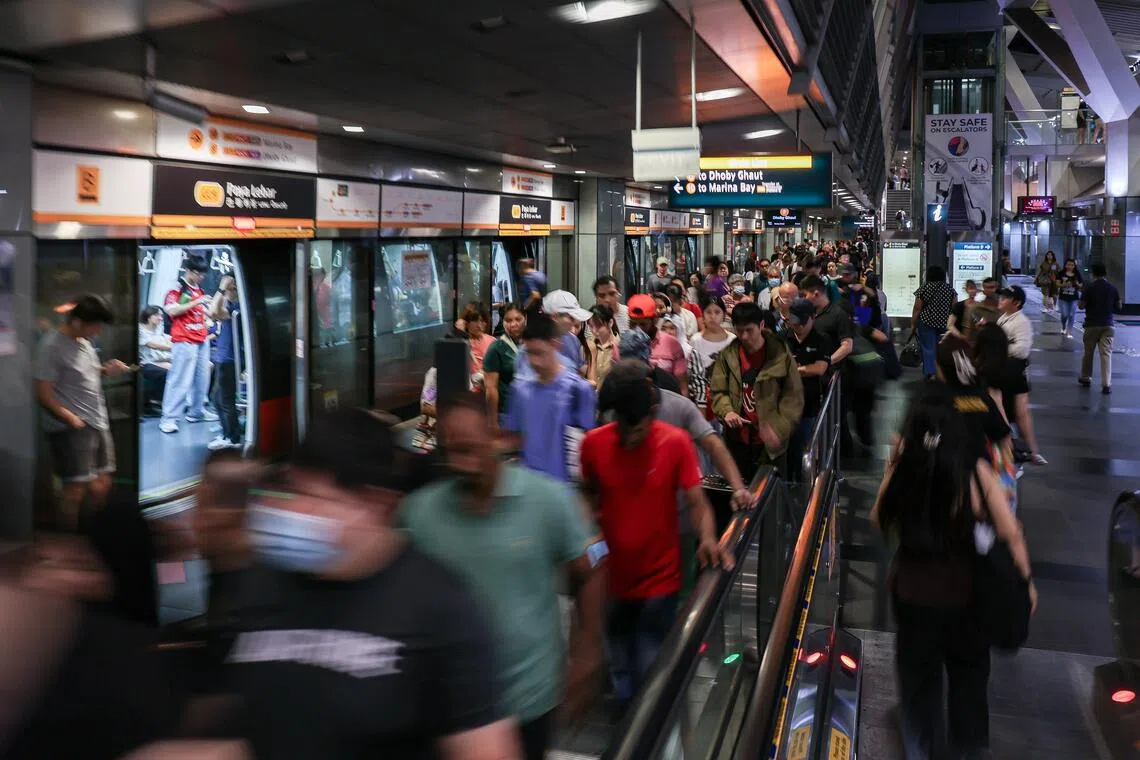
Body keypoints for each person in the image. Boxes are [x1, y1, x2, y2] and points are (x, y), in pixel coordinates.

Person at [226, 408, 520, 759]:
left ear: (377, 503)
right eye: (292, 494)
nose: (298, 513)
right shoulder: (262, 585)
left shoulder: (441, 609)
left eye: (318, 500)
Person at [402, 395, 605, 760]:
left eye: (471, 449)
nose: (462, 463)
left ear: (495, 438)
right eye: (452, 452)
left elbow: (593, 564)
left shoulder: (547, 500)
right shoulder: (420, 513)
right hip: (446, 707)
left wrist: (587, 651)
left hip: (527, 702)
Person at [871, 391, 1033, 760]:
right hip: (968, 602)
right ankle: (969, 749)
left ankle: (920, 747)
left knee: (918, 686)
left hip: (914, 601)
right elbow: (1010, 532)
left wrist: (891, 469)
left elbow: (879, 519)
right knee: (970, 682)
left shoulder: (904, 468)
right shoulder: (975, 472)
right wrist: (1026, 581)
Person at [579, 366, 731, 711]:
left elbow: (698, 502)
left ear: (652, 414)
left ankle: (650, 728)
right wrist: (587, 537)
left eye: (639, 428)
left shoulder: (674, 443)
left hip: (660, 580)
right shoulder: (594, 445)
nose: (631, 437)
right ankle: (627, 723)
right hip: (612, 578)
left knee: (650, 664)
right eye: (624, 427)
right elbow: (588, 498)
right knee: (618, 663)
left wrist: (707, 537)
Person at [35, 294, 130, 532]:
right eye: (94, 326)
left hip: (97, 422)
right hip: (72, 427)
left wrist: (106, 370)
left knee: (102, 482)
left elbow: (86, 373)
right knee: (74, 490)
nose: (97, 331)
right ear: (77, 322)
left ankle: (92, 533)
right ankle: (68, 541)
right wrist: (70, 418)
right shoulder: (51, 346)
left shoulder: (84, 342)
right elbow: (43, 392)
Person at [709, 302, 804, 480]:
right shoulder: (727, 356)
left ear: (761, 325)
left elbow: (793, 397)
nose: (744, 336)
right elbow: (718, 390)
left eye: (749, 330)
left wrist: (779, 429)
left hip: (770, 445)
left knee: (770, 496)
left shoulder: (780, 354)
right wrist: (727, 411)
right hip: (738, 441)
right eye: (739, 330)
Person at [504, 312, 597, 485]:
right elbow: (514, 439)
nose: (534, 361)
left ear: (555, 345)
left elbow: (588, 450)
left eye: (539, 353)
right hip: (530, 492)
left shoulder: (578, 390)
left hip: (566, 494)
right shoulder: (519, 391)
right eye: (529, 353)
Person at [160, 255, 217, 435]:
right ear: (190, 271)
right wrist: (197, 302)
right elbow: (172, 311)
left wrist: (207, 315)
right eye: (198, 274)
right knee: (180, 380)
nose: (201, 277)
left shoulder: (198, 290)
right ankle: (168, 419)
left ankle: (196, 411)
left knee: (202, 379)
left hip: (201, 338)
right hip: (184, 340)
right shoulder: (178, 288)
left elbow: (197, 312)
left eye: (202, 274)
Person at [781, 299, 835, 478]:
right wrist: (803, 370)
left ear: (813, 318)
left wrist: (793, 370)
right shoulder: (783, 337)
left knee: (805, 446)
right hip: (784, 404)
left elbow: (820, 368)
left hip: (808, 404)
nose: (799, 327)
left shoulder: (822, 339)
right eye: (796, 322)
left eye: (804, 322)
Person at [997, 286, 1046, 464]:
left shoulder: (1022, 322)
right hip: (1004, 372)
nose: (1001, 299)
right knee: (1010, 411)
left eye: (1006, 297)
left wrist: (998, 347)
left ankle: (1030, 451)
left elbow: (1022, 350)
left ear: (1016, 303)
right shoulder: (1003, 318)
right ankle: (1018, 449)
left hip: (1016, 373)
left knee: (1020, 412)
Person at [627, 294, 688, 397]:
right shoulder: (621, 347)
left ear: (654, 320)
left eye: (643, 324)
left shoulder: (672, 344)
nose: (638, 329)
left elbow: (682, 388)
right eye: (633, 324)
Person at [207, 275, 242, 451]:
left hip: (230, 359)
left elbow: (212, 312)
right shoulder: (230, 306)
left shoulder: (238, 308)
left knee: (225, 400)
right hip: (223, 357)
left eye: (230, 289)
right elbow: (215, 312)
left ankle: (233, 438)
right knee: (217, 399)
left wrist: (221, 288)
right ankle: (227, 433)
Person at [1079, 262, 1120, 394]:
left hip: (1091, 325)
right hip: (1108, 325)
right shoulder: (1112, 288)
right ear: (1105, 273)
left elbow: (1081, 305)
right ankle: (1106, 383)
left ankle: (1086, 377)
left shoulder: (1089, 287)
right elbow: (1118, 306)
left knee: (1088, 353)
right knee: (1106, 355)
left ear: (1093, 273)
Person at [911, 266, 957, 380]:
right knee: (940, 347)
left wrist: (913, 323)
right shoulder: (950, 289)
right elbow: (954, 307)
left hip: (926, 322)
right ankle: (941, 371)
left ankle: (931, 372)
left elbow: (917, 308)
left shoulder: (924, 288)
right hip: (944, 323)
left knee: (928, 348)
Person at [137, 305, 172, 417]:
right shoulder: (140, 330)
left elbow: (167, 339)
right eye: (157, 315)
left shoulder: (159, 329)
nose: (160, 318)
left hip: (160, 358)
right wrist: (172, 347)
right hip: (146, 361)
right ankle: (159, 401)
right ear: (148, 316)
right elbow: (152, 345)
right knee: (171, 370)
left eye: (161, 315)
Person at [585, 304, 618, 388]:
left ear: (610, 323)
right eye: (591, 326)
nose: (594, 331)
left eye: (599, 325)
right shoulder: (587, 346)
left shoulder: (621, 347)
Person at [460, 303, 495, 380]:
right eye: (475, 320)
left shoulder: (493, 342)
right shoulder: (460, 343)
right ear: (466, 322)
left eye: (482, 321)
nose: (479, 325)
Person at [1056, 258, 1083, 338]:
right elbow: (1057, 284)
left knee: (1071, 314)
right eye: (1068, 264)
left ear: (1074, 266)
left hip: (1074, 298)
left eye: (1072, 265)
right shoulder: (1061, 273)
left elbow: (1081, 285)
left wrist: (1078, 284)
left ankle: (1069, 332)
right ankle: (1063, 326)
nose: (1070, 266)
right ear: (1065, 265)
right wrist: (1064, 284)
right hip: (1063, 297)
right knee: (1064, 314)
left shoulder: (1077, 274)